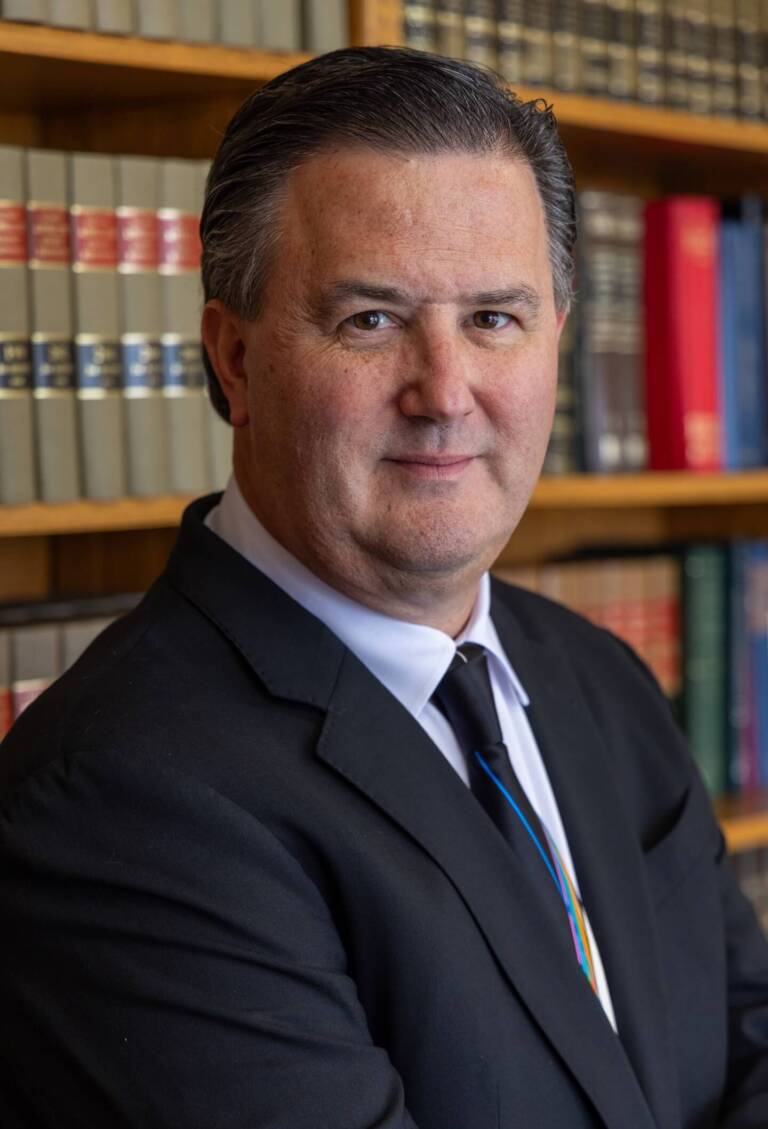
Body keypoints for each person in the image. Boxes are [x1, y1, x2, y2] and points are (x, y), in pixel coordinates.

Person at [1, 46, 767, 1129]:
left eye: (493, 318)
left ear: (556, 342)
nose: (444, 392)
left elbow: (750, 1036)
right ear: (234, 359)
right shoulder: (119, 803)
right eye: (370, 318)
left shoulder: (597, 676)